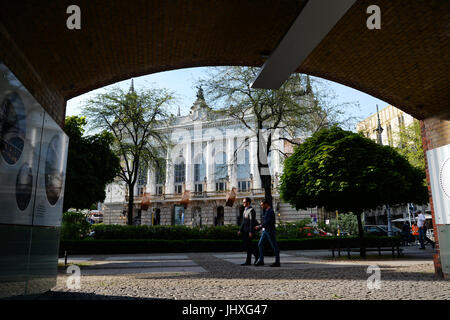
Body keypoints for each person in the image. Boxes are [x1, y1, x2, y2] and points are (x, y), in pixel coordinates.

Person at [254, 199, 280, 267]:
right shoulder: (266, 211)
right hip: (265, 231)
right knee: (260, 244)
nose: (261, 206)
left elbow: (268, 222)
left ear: (266, 204)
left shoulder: (270, 211)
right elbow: (265, 222)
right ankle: (261, 260)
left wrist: (260, 226)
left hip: (270, 231)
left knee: (274, 246)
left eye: (262, 205)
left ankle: (277, 262)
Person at [237, 197, 259, 265]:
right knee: (247, 246)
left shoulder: (251, 210)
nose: (243, 203)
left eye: (244, 202)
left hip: (248, 231)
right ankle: (249, 261)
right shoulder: (245, 210)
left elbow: (251, 222)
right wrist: (240, 230)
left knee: (248, 245)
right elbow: (243, 221)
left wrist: (250, 231)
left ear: (248, 203)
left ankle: (256, 256)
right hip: (245, 231)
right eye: (243, 202)